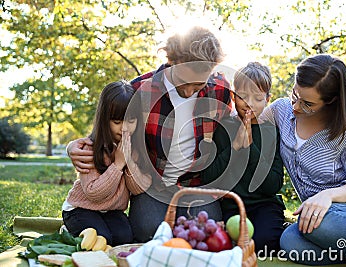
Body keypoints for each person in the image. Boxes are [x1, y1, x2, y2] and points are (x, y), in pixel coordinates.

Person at [66, 26, 232, 242]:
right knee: (148, 233)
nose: (191, 91)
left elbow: (241, 122)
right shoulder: (140, 91)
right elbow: (108, 131)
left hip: (195, 184)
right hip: (152, 185)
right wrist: (74, 147)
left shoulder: (220, 91)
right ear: (173, 60)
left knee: (205, 236)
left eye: (198, 84)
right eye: (186, 81)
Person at [261, 54, 346, 266]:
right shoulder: (281, 110)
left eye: (308, 103)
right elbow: (249, 117)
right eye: (294, 95)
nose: (296, 107)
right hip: (319, 219)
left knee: (320, 223)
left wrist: (328, 196)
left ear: (331, 100)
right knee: (290, 242)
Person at [201, 62, 285, 254]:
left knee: (265, 243)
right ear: (233, 96)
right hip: (232, 205)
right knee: (230, 244)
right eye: (243, 96)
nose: (249, 104)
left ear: (267, 99)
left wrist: (250, 148)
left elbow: (273, 185)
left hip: (264, 204)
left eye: (258, 98)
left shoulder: (270, 132)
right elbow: (209, 177)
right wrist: (235, 147)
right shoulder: (223, 129)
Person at [62, 80, 152, 246]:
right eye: (117, 122)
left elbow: (138, 188)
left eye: (131, 121)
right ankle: (69, 230)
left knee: (124, 239)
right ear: (105, 119)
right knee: (102, 239)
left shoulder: (134, 148)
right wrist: (117, 164)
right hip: (81, 209)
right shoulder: (90, 148)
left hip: (110, 211)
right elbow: (94, 194)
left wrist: (128, 162)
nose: (124, 128)